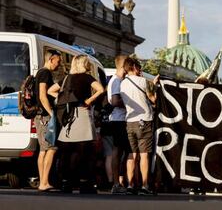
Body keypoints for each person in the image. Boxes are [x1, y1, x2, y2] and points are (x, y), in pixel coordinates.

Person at [48, 55, 104, 193]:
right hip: (82, 114)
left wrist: (64, 99)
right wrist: (89, 100)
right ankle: (86, 183)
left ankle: (66, 182)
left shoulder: (67, 78)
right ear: (85, 64)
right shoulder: (87, 77)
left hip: (69, 117)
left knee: (67, 151)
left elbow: (50, 90)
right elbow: (101, 89)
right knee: (86, 151)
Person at [120, 57, 159, 195]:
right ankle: (144, 185)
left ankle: (130, 185)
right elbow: (153, 98)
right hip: (145, 121)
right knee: (144, 155)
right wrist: (153, 85)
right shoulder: (144, 81)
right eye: (139, 67)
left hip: (130, 121)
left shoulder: (122, 84)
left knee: (132, 154)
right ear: (135, 67)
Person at [34, 49, 62, 191]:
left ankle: (43, 181)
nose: (59, 64)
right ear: (51, 59)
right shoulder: (45, 73)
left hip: (40, 116)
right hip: (44, 115)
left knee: (43, 150)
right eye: (58, 60)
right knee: (51, 148)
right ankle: (44, 182)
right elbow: (43, 95)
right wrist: (51, 113)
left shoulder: (40, 72)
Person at [107, 55, 134, 194]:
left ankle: (120, 182)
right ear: (122, 65)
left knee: (123, 152)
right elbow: (115, 100)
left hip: (121, 119)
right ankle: (116, 183)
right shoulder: (116, 81)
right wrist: (130, 105)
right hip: (118, 120)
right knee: (118, 151)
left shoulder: (120, 80)